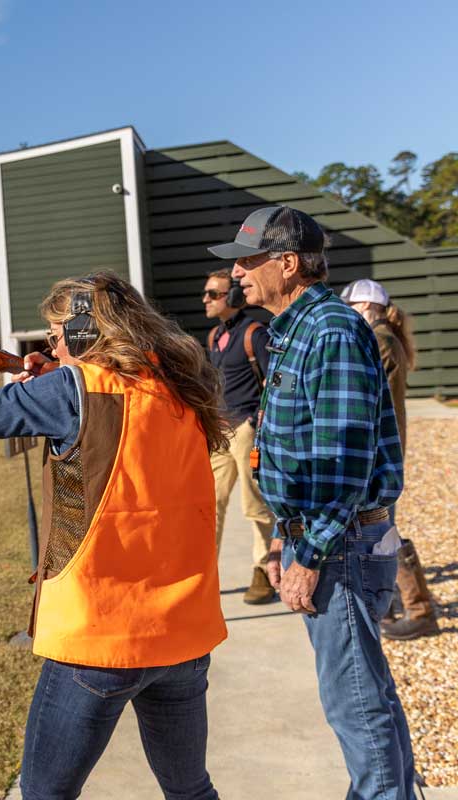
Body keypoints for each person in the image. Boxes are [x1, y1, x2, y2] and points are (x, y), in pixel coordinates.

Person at [0, 270, 227, 800]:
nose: (51, 347)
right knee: (190, 791)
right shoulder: (178, 384)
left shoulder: (77, 389)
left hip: (100, 633)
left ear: (83, 333)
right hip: (183, 632)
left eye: (56, 336)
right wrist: (56, 374)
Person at [209, 206, 417, 800]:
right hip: (326, 534)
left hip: (342, 543)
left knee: (355, 703)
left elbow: (343, 463)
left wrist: (311, 551)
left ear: (287, 263)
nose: (237, 273)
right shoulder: (294, 328)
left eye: (247, 260)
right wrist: (284, 534)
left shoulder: (330, 331)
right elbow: (298, 448)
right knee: (366, 694)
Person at [341, 278, 439, 640]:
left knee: (382, 531)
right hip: (383, 450)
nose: (348, 313)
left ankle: (419, 610)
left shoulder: (380, 340)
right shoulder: (386, 338)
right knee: (380, 529)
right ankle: (395, 604)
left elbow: (364, 397)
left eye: (351, 306)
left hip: (379, 453)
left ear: (367, 306)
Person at [203, 268, 276, 603]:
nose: (205, 299)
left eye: (213, 294)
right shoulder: (214, 337)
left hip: (245, 431)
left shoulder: (254, 334)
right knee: (210, 504)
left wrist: (254, 421)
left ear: (232, 296)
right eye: (206, 293)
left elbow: (274, 381)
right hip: (220, 432)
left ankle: (263, 569)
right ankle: (205, 572)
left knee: (254, 504)